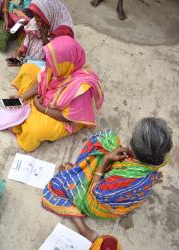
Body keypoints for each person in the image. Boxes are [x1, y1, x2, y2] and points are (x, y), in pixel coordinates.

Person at [42, 118, 172, 242]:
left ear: (135, 148)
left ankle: (83, 229)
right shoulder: (159, 160)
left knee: (59, 184)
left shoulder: (124, 180)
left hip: (101, 203)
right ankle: (81, 172)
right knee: (105, 139)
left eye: (134, 134)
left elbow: (96, 192)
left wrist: (105, 161)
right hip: (128, 182)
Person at [10, 36, 104, 152]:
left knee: (34, 129)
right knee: (28, 69)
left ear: (65, 63)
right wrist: (22, 97)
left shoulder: (81, 90)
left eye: (52, 61)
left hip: (63, 116)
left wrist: (40, 108)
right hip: (48, 98)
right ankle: (27, 107)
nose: (48, 64)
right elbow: (42, 81)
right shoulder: (60, 67)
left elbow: (67, 117)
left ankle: (31, 114)